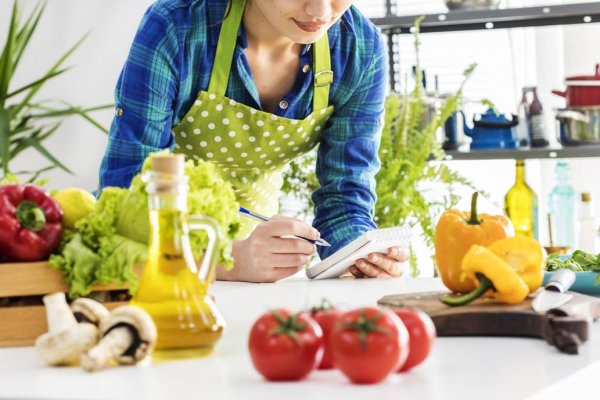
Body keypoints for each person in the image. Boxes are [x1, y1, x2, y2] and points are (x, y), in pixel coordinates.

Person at [99, 0, 409, 282]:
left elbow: (343, 199)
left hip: (259, 270)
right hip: (158, 260)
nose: (321, 11)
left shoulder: (360, 49)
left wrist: (360, 257)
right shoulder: (176, 27)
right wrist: (227, 258)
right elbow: (128, 194)